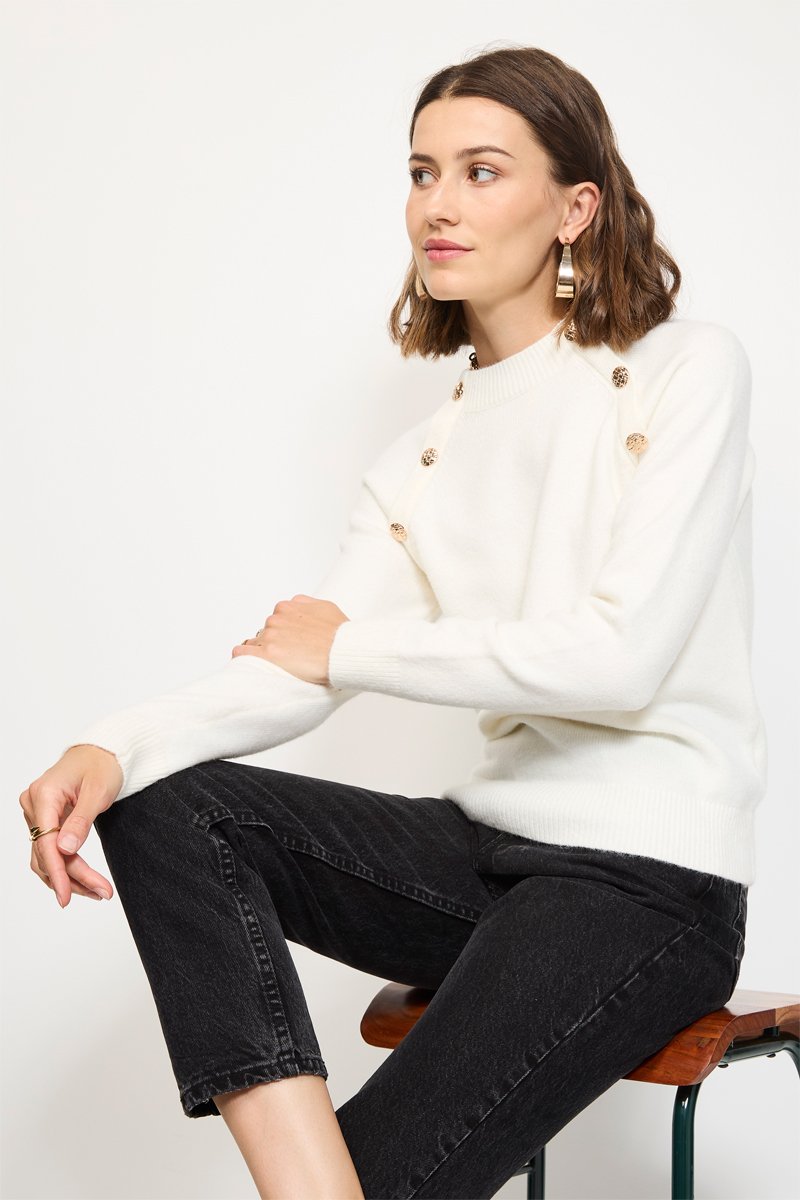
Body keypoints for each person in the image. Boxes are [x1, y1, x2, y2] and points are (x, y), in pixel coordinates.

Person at [20, 44, 765, 1200]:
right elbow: (296, 671)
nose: (436, 205)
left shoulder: (683, 370)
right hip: (482, 858)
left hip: (642, 882)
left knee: (389, 1175)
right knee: (168, 802)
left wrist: (348, 646)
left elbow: (618, 659)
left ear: (574, 208)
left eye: (480, 171)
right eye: (421, 173)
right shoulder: (419, 458)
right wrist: (109, 747)